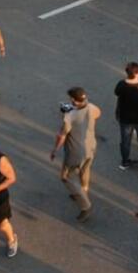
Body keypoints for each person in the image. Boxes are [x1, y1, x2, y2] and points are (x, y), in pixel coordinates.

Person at [52, 87, 100, 223]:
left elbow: (62, 135)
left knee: (66, 176)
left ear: (73, 100)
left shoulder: (70, 116)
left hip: (75, 151)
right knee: (85, 169)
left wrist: (55, 150)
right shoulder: (91, 107)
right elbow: (98, 113)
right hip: (91, 147)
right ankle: (84, 189)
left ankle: (85, 206)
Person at [114, 62, 138, 170]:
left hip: (125, 118)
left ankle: (125, 162)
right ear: (137, 73)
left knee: (125, 140)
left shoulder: (121, 84)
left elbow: (117, 93)